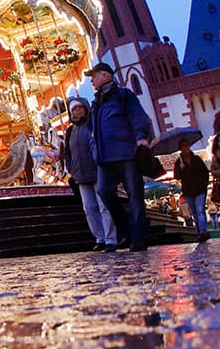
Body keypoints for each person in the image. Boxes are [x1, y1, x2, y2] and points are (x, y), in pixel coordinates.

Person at [87, 61, 153, 251]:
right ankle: (125, 230)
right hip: (105, 156)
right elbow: (92, 128)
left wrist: (140, 137)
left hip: (126, 153)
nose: (92, 79)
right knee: (104, 191)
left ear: (106, 76)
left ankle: (137, 238)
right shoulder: (96, 102)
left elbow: (137, 115)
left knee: (135, 195)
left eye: (95, 75)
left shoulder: (124, 95)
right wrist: (94, 146)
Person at [62, 97, 117, 252]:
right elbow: (67, 152)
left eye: (80, 108)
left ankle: (110, 238)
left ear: (86, 109)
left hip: (97, 170)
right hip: (80, 173)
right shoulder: (70, 131)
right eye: (74, 109)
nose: (78, 111)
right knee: (89, 208)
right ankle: (99, 237)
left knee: (103, 206)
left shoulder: (92, 125)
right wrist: (70, 167)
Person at [173, 138, 211, 242]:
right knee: (195, 213)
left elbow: (205, 172)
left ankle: (203, 232)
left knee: (200, 211)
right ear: (180, 148)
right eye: (183, 146)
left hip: (200, 189)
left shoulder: (197, 159)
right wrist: (180, 169)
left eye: (187, 145)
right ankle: (199, 234)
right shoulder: (178, 162)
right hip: (188, 192)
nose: (186, 148)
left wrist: (205, 185)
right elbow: (176, 177)